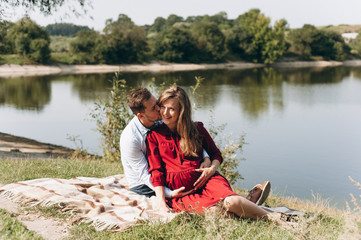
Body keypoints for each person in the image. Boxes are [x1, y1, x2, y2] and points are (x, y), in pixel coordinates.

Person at [120, 88, 270, 206]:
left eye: (157, 104)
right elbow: (145, 175)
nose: (160, 110)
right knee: (204, 201)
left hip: (174, 177)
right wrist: (170, 194)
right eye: (154, 108)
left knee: (210, 189)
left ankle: (241, 202)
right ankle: (246, 201)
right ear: (141, 116)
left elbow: (186, 136)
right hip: (145, 185)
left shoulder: (158, 120)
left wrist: (205, 157)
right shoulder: (131, 139)